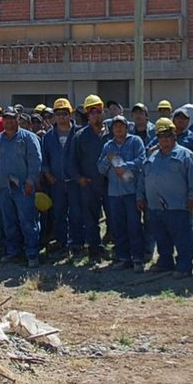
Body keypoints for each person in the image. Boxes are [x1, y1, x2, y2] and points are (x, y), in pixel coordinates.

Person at [137, 118, 193, 278]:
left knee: (182, 238)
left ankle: (184, 266)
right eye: (161, 136)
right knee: (161, 237)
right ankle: (165, 262)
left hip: (178, 206)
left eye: (167, 136)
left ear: (174, 136)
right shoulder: (152, 156)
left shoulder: (186, 155)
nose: (164, 140)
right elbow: (143, 177)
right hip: (155, 206)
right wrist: (140, 196)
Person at [0, 106, 44, 266]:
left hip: (24, 188)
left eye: (12, 117)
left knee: (28, 221)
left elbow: (35, 160)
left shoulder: (28, 138)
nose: (9, 121)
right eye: (6, 118)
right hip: (4, 188)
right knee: (9, 222)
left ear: (18, 119)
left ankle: (32, 254)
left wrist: (31, 181)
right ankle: (13, 252)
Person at [97, 115, 147, 271]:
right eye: (115, 126)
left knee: (134, 225)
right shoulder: (108, 146)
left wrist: (124, 165)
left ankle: (138, 258)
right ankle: (123, 257)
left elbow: (142, 160)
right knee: (118, 227)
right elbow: (100, 168)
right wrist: (108, 159)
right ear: (112, 129)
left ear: (127, 127)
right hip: (114, 193)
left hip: (131, 191)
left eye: (121, 126)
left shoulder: (135, 141)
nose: (118, 129)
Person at [72, 95, 108, 263]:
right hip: (89, 184)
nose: (95, 115)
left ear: (103, 112)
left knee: (114, 218)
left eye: (98, 111)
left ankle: (117, 251)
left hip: (110, 185)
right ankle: (94, 251)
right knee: (91, 220)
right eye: (91, 112)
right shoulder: (80, 136)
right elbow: (72, 161)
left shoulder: (112, 132)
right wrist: (79, 179)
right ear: (87, 115)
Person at [41, 98, 80, 255]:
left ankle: (77, 243)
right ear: (54, 116)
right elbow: (44, 159)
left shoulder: (79, 134)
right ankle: (61, 242)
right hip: (56, 182)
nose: (61, 117)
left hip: (74, 182)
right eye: (58, 114)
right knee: (58, 214)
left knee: (76, 214)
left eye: (65, 113)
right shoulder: (48, 137)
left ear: (70, 115)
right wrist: (48, 174)